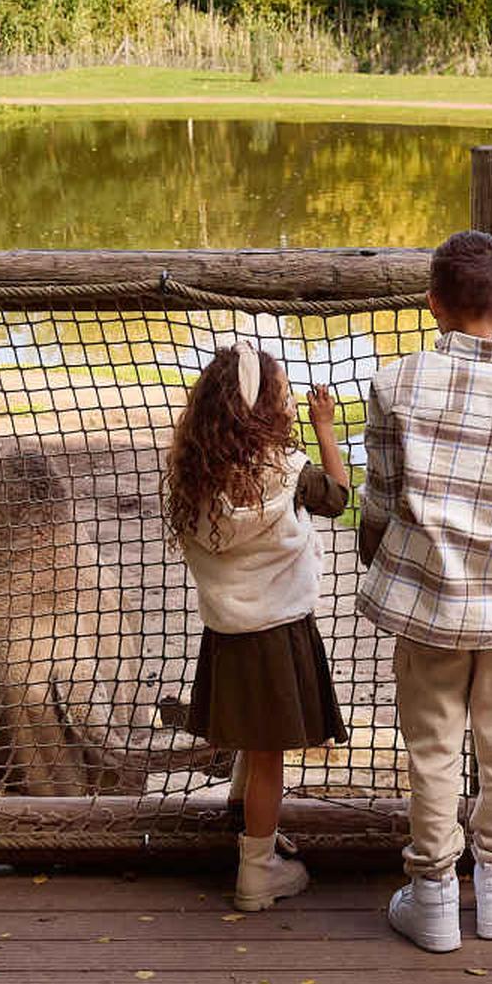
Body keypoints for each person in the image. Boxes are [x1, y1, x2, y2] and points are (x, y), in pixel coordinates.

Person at [353, 228, 492, 954]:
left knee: (431, 747)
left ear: (432, 305)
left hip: (427, 598)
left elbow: (382, 497)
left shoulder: (396, 381)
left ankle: (431, 896)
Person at [163, 338, 353, 912]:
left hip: (226, 631)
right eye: (285, 395)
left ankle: (246, 824)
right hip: (279, 630)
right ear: (266, 407)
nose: (292, 402)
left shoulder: (194, 474)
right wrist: (323, 428)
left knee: (252, 733)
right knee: (269, 751)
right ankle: (257, 873)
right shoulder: (287, 471)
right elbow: (340, 497)